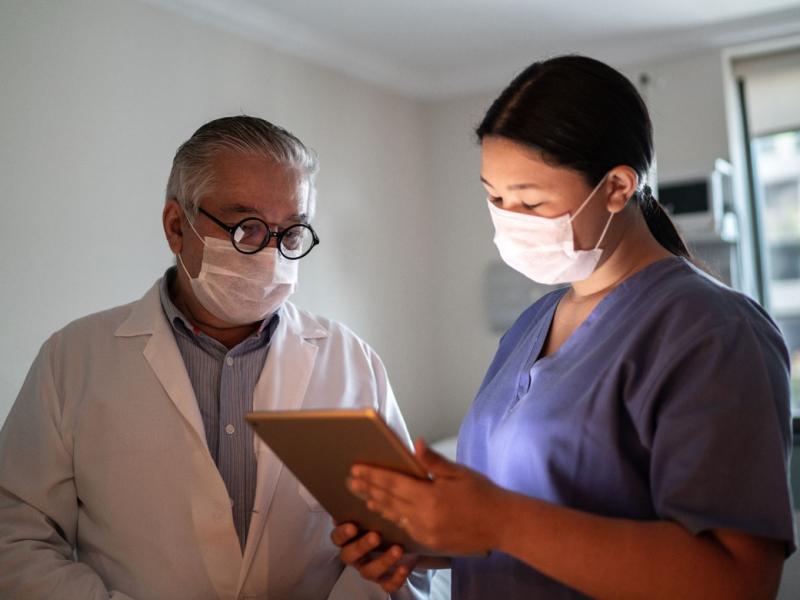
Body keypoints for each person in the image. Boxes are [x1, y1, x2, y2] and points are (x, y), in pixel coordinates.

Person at [332, 55, 796, 598]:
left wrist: (499, 521)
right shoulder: (532, 326)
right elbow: (543, 523)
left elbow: (738, 580)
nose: (507, 218)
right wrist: (438, 538)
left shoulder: (712, 331)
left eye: (529, 200)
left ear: (618, 187)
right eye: (494, 198)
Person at [0, 116, 429, 599]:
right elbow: (16, 535)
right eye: (246, 227)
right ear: (176, 227)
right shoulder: (73, 359)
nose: (271, 255)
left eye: (290, 233)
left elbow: (402, 539)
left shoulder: (352, 362)